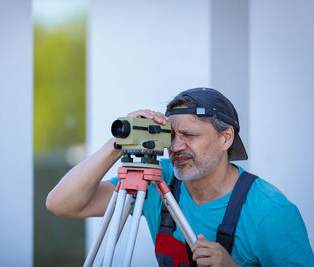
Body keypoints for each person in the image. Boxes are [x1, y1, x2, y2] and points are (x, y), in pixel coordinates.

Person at [46, 88, 314, 266]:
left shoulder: (270, 211)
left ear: (225, 137)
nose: (175, 147)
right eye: (172, 136)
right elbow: (62, 204)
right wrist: (119, 142)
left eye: (190, 135)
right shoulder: (155, 181)